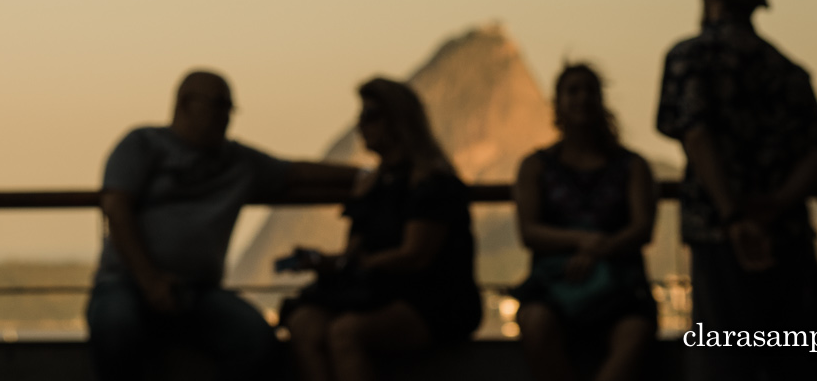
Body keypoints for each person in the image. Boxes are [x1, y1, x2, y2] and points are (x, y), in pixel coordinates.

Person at [86, 70, 358, 381]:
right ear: (186, 103)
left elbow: (296, 173)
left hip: (199, 292)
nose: (227, 116)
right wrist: (150, 280)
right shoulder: (141, 144)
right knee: (116, 327)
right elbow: (116, 208)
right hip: (126, 282)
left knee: (256, 339)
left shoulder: (239, 161)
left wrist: (364, 176)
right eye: (219, 105)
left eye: (229, 107)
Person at [654, 0, 817, 378]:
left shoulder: (689, 58)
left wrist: (732, 215)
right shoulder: (789, 70)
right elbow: (815, 156)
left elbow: (696, 135)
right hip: (785, 235)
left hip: (718, 234)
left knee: (724, 355)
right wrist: (776, 204)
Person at [286, 78, 482, 381]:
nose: (360, 124)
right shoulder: (372, 184)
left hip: (431, 300)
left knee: (345, 333)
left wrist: (357, 265)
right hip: (377, 292)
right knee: (303, 324)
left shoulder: (432, 182)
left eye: (370, 115)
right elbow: (355, 250)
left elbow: (415, 255)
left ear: (397, 121)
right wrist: (329, 263)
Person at [510, 64, 658, 381]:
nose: (583, 98)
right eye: (573, 90)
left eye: (590, 90)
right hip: (554, 287)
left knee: (634, 333)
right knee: (535, 323)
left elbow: (642, 228)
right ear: (558, 103)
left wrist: (596, 251)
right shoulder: (535, 166)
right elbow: (529, 231)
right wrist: (583, 241)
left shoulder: (633, 166)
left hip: (621, 288)